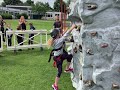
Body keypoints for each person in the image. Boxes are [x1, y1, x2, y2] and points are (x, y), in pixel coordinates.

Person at [48, 24, 76, 90]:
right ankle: (55, 85)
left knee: (69, 56)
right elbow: (66, 35)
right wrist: (72, 27)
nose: (60, 33)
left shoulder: (55, 40)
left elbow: (63, 38)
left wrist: (70, 40)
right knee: (59, 72)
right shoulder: (58, 41)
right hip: (58, 58)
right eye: (59, 33)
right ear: (57, 35)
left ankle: (67, 69)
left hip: (60, 55)